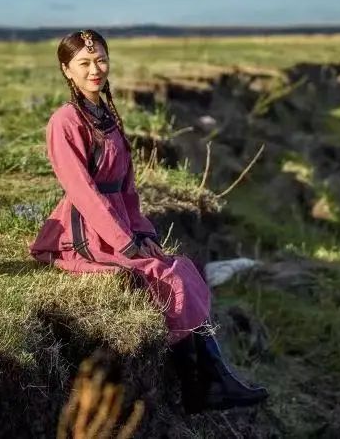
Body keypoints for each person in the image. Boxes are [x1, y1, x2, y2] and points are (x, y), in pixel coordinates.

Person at [29, 28, 268, 414]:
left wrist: (142, 231)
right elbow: (83, 192)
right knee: (162, 275)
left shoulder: (108, 116)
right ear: (66, 70)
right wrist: (124, 241)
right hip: (85, 230)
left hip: (120, 219)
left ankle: (211, 379)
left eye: (101, 60)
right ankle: (202, 384)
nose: (95, 69)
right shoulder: (65, 121)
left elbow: (127, 187)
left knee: (184, 268)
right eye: (84, 63)